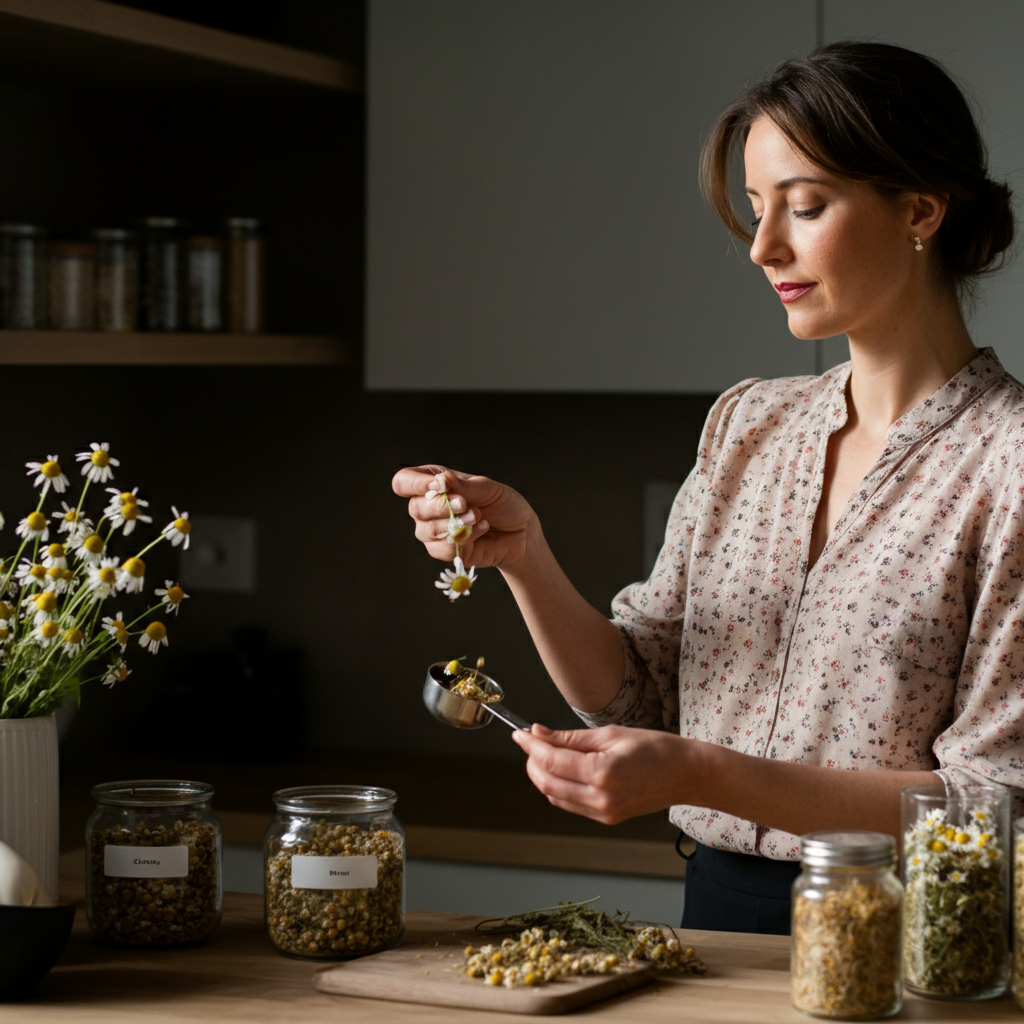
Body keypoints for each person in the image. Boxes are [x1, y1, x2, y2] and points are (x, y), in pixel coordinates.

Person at [392, 42, 1019, 934]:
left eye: (805, 207)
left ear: (920, 209)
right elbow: (637, 696)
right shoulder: (747, 425)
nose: (764, 247)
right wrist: (524, 557)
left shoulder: (1009, 463)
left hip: (914, 929)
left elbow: (993, 804)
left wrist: (700, 772)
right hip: (714, 913)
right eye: (758, 210)